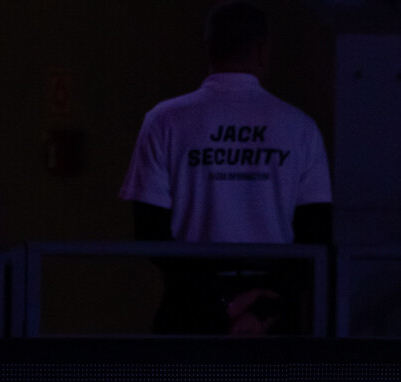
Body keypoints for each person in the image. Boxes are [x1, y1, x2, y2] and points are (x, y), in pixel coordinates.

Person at [120, 1, 332, 334]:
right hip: (272, 311)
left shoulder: (164, 120)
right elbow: (316, 236)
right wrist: (262, 310)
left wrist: (220, 302)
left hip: (189, 306)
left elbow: (150, 233)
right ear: (262, 51)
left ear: (208, 48)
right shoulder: (301, 127)